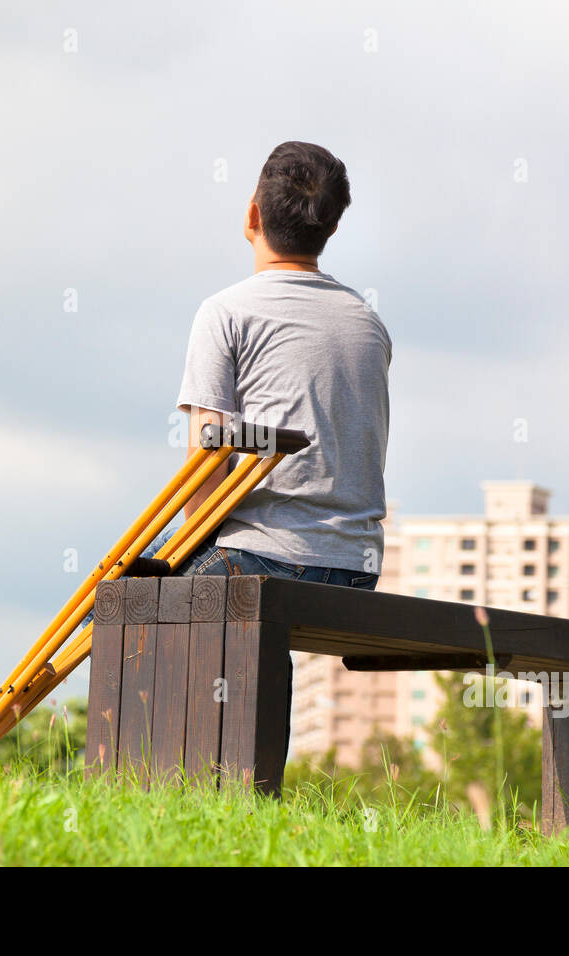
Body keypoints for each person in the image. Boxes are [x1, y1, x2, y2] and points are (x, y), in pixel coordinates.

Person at [168, 140, 393, 762]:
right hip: (356, 567)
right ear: (333, 228)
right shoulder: (367, 321)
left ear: (251, 215)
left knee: (122, 601)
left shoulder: (225, 312)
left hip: (266, 555)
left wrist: (188, 562)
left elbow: (204, 468)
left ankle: (160, 782)